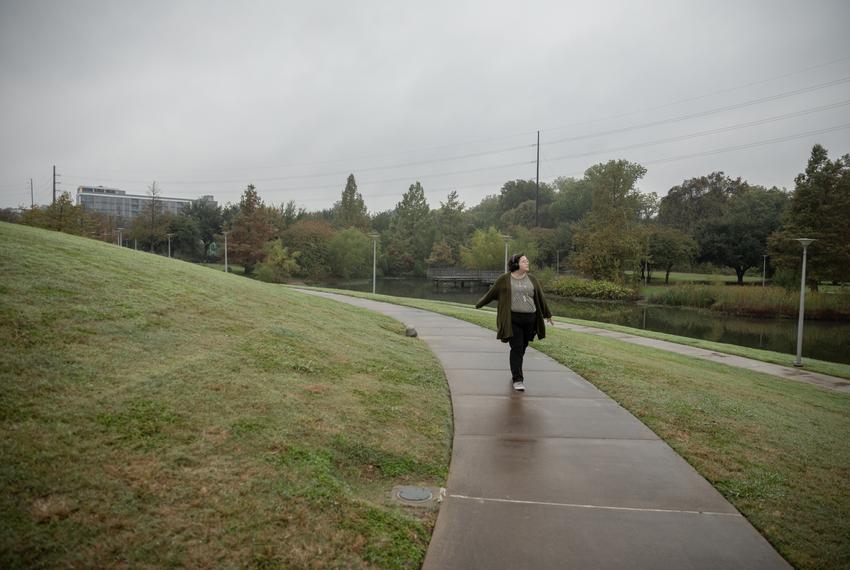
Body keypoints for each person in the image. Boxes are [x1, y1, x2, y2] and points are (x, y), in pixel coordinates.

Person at [474, 253, 553, 392]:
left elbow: (540, 298)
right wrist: (479, 304)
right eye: (524, 261)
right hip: (513, 319)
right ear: (516, 264)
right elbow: (491, 294)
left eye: (527, 261)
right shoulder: (504, 279)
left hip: (530, 319)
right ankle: (518, 379)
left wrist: (547, 315)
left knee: (522, 347)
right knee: (516, 348)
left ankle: (516, 369)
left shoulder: (532, 280)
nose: (527, 263)